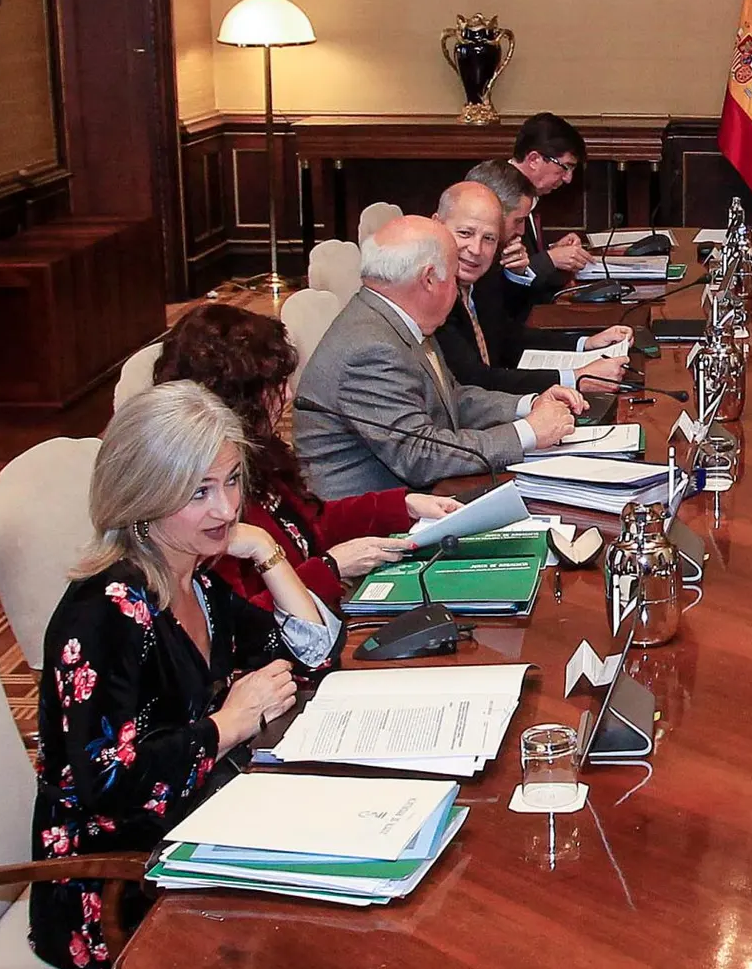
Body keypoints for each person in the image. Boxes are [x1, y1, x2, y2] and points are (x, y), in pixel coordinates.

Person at [30, 381, 341, 967]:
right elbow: (110, 787)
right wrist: (227, 725)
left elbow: (312, 654)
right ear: (142, 495)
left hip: (201, 826)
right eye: (199, 492)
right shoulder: (102, 614)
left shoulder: (193, 579)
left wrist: (266, 553)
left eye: (230, 482)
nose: (225, 509)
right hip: (120, 885)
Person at [153, 304, 466, 610]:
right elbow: (240, 622)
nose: (288, 394)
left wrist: (403, 505)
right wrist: (330, 568)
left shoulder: (260, 453)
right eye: (272, 385)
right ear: (238, 396)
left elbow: (310, 525)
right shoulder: (201, 499)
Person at [293, 215, 583, 499]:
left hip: (421, 495)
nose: (458, 289)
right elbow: (420, 456)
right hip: (375, 519)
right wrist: (528, 432)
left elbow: (449, 399)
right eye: (454, 276)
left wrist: (527, 405)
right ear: (429, 279)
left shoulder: (396, 318)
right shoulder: (371, 349)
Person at [429, 179, 631, 395]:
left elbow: (508, 337)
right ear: (436, 224)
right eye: (465, 234)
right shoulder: (429, 290)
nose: (476, 249)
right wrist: (577, 377)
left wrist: (586, 343)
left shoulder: (478, 276)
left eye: (488, 238)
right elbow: (475, 380)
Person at [502, 112, 596, 303]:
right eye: (565, 167)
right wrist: (550, 259)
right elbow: (496, 279)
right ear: (534, 159)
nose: (568, 179)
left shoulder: (530, 196)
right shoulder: (497, 196)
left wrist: (554, 252)